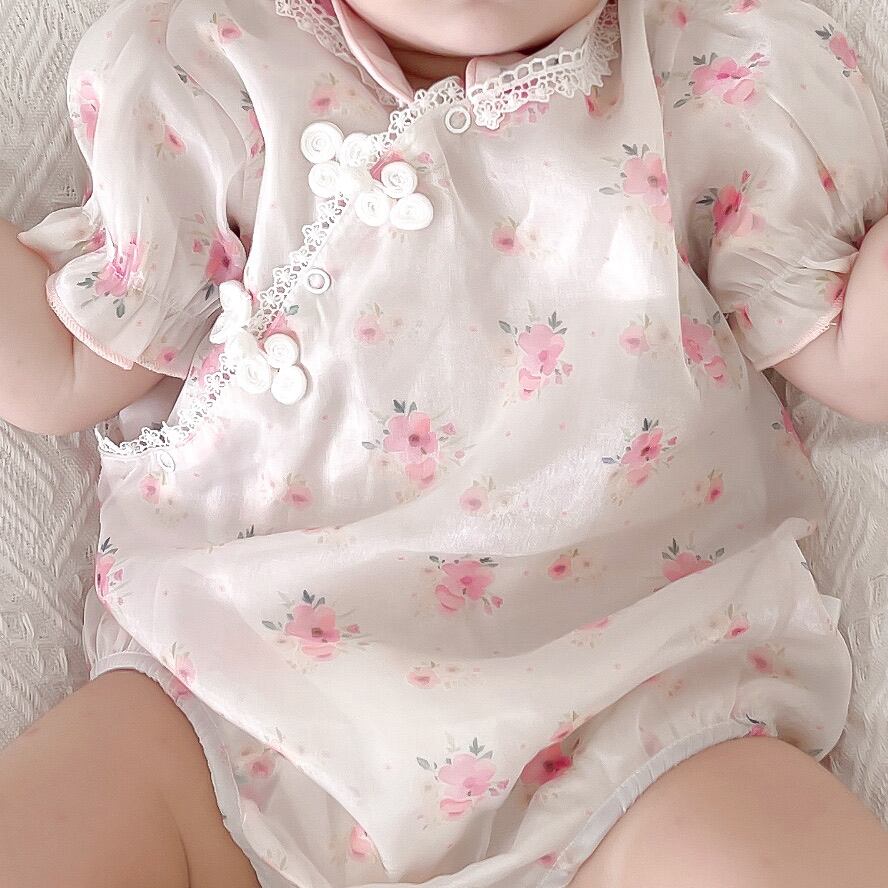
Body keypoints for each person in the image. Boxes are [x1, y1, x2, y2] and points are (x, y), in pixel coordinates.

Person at [2, 0, 888, 885]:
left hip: (639, 700)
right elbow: (64, 370)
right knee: (81, 809)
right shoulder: (215, 67)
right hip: (235, 695)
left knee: (765, 849)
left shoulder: (705, 70)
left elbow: (856, 359)